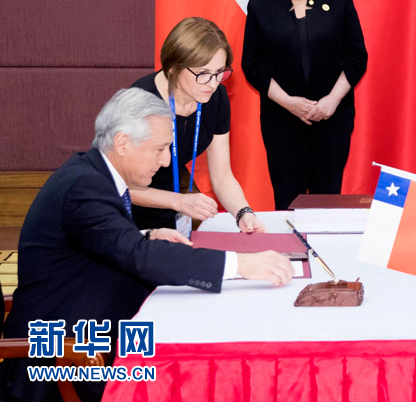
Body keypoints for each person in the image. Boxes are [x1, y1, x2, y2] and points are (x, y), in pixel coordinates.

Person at [0, 89, 292, 402]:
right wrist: (240, 265)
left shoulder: (93, 174)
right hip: (65, 360)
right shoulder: (84, 186)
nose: (166, 161)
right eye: (160, 149)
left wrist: (147, 233)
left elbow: (99, 239)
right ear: (123, 142)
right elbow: (137, 256)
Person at [243, 0, 367, 210]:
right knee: (288, 200)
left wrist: (331, 101)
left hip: (332, 117)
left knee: (327, 199)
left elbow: (357, 57)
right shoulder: (261, 6)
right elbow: (252, 65)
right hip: (281, 119)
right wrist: (289, 102)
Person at [130, 17, 266, 234]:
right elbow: (120, 187)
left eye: (219, 72)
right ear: (173, 69)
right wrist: (178, 201)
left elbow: (222, 176)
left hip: (172, 213)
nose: (213, 84)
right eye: (203, 74)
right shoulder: (139, 103)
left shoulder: (215, 97)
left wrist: (244, 213)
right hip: (126, 219)